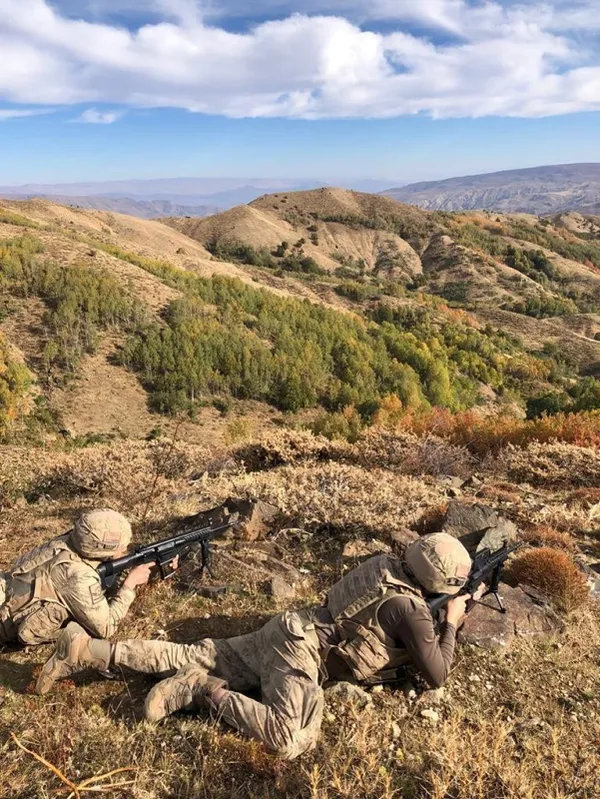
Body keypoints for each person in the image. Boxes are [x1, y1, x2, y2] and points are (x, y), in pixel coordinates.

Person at [35, 533, 472, 760]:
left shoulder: (384, 565)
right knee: (288, 738)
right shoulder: (411, 610)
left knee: (187, 652)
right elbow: (437, 674)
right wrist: (450, 621)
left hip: (288, 627)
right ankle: (203, 690)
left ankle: (89, 649)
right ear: (442, 582)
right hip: (302, 654)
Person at [0, 509, 152, 646]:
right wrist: (129, 585)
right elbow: (106, 628)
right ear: (101, 549)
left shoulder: (66, 540)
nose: (124, 549)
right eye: (121, 547)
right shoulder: (78, 576)